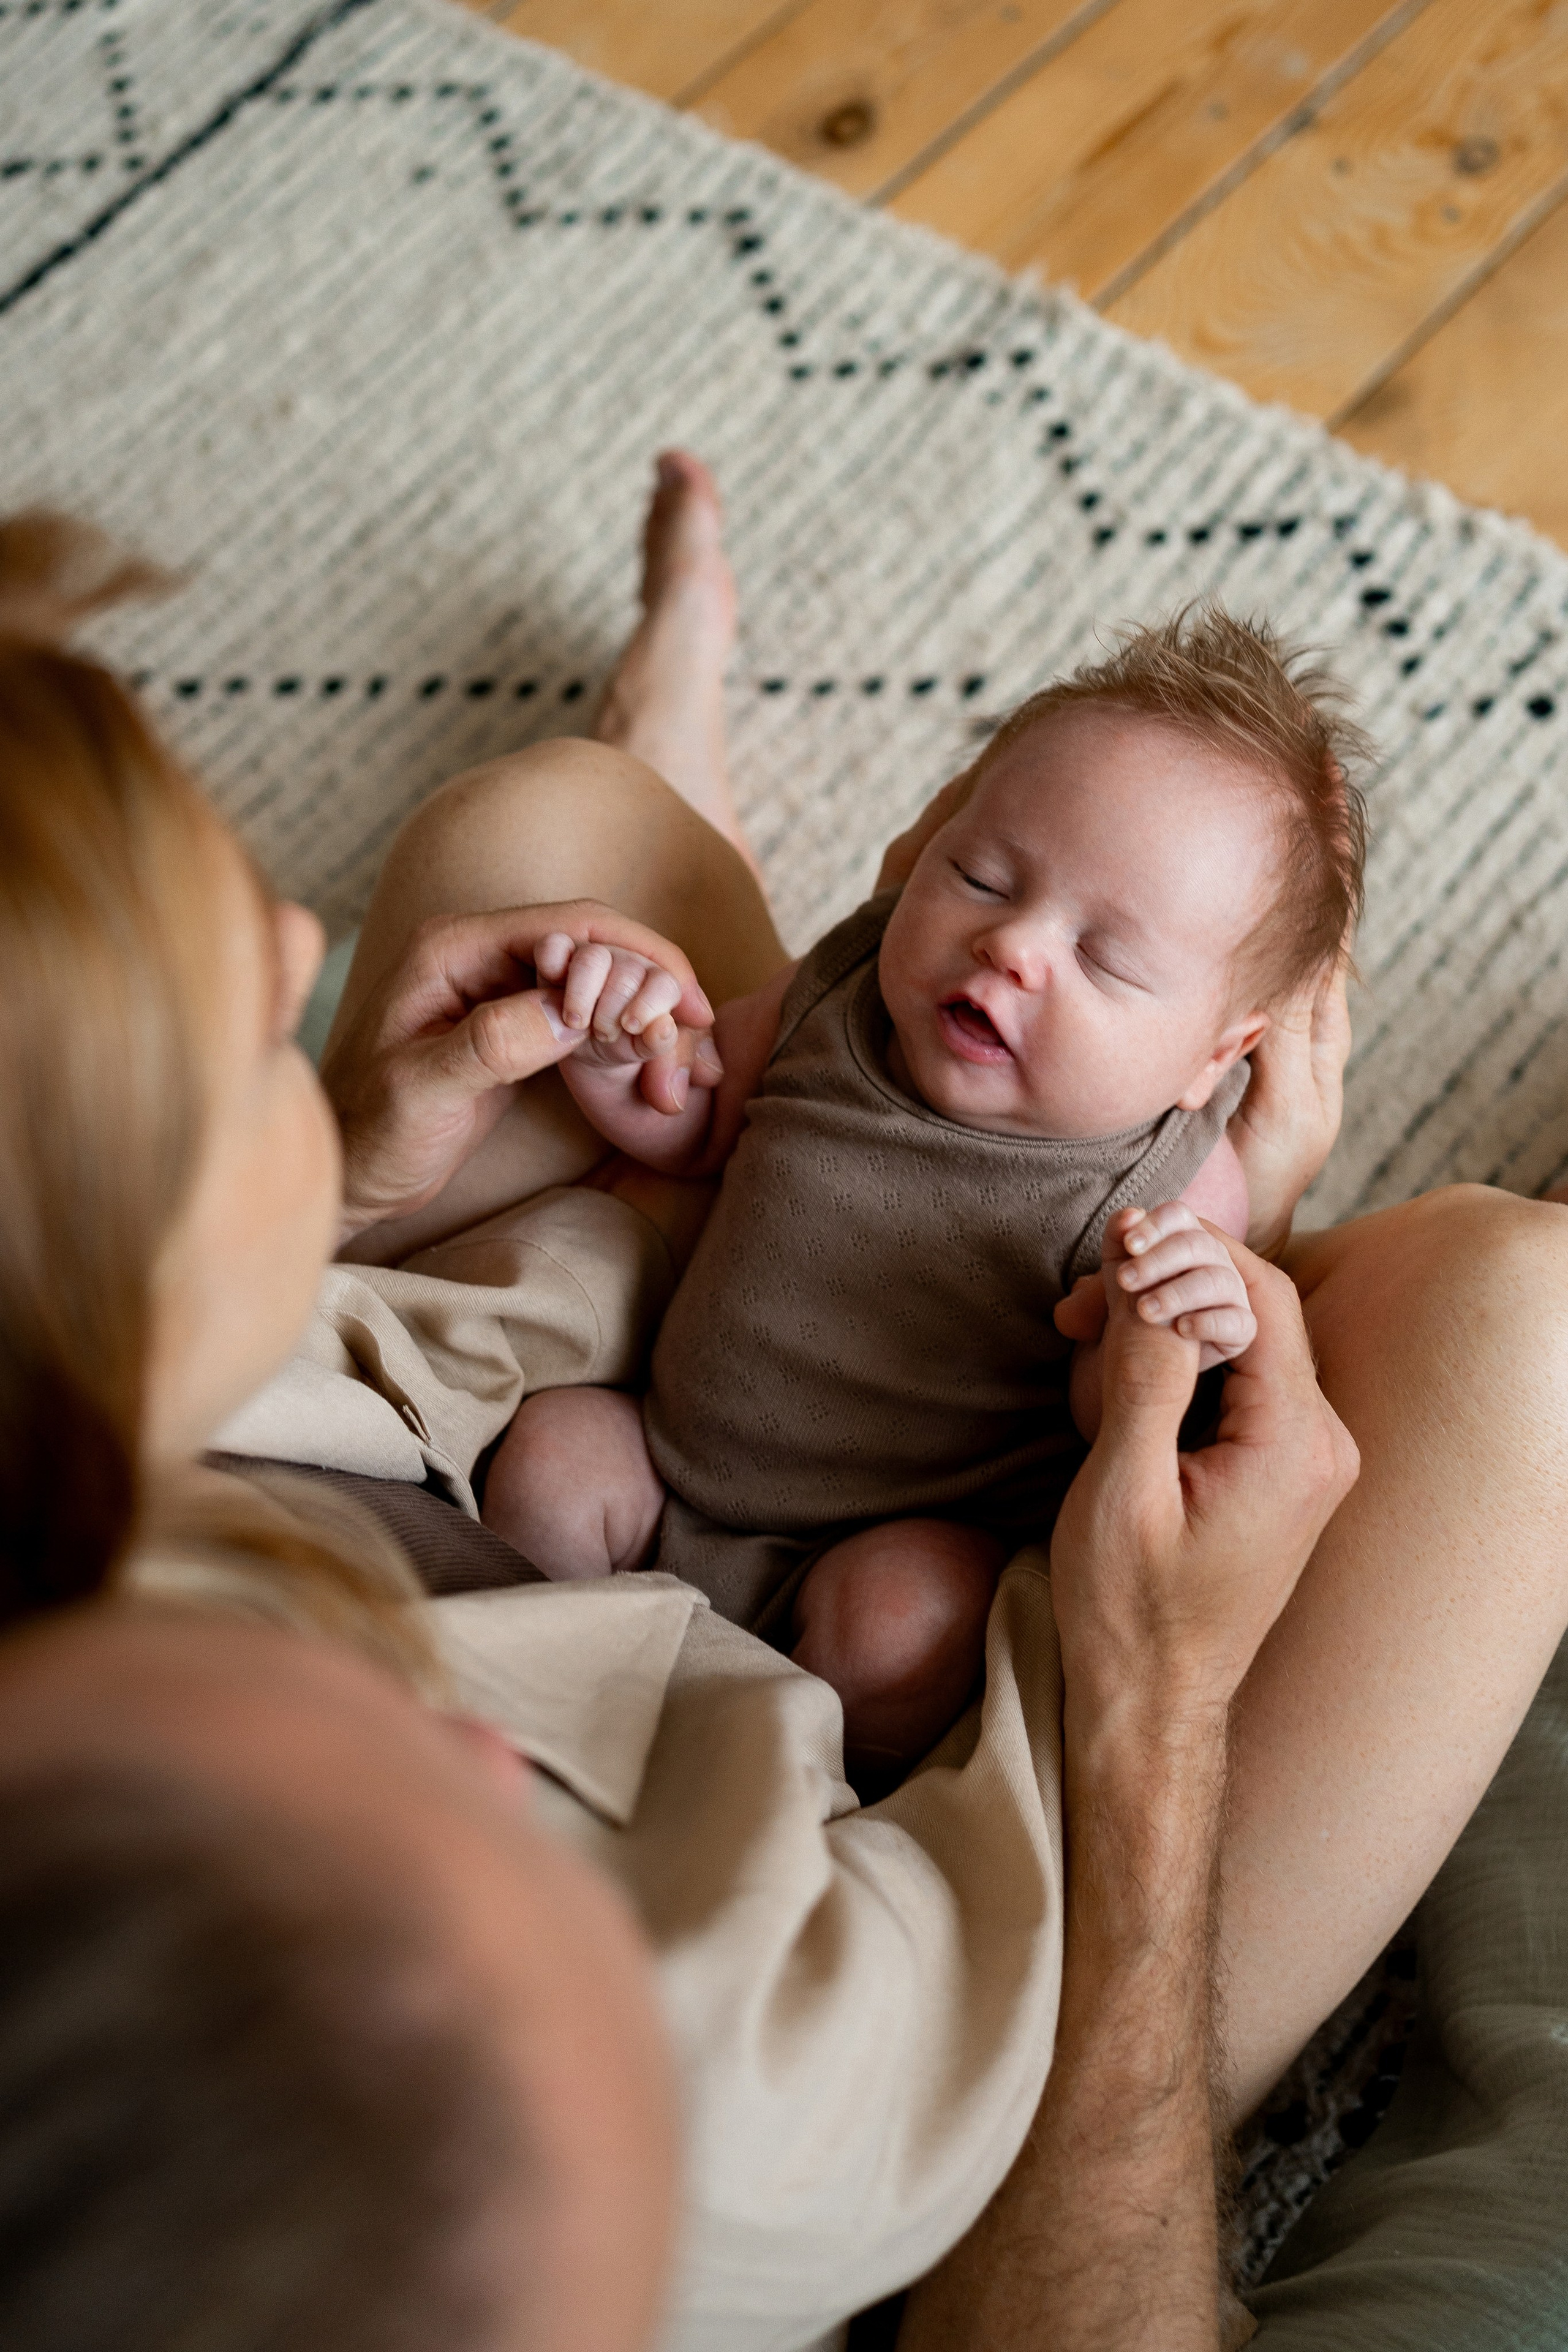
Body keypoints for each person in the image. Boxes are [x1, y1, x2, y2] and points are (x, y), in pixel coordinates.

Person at [2, 473, 1568, 2352]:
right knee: (1517, 1313)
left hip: (556, 1471)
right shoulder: (690, 2122)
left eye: (1110, 953)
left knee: (564, 827)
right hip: (806, 1682)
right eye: (222, 1018)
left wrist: (334, 1178)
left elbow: (677, 1110)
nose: (291, 937)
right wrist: (1153, 1692)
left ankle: (671, 759)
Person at [476, 607, 1366, 1776]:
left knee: (912, 1623)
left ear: (1214, 1055)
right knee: (548, 1457)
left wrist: (1177, 1327)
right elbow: (692, 1119)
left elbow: (1119, 1425)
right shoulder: (846, 992)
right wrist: (613, 1045)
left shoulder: (1169, 1184)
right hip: (666, 1467)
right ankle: (523, 1716)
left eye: (1106, 959)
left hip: (884, 1545)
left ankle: (775, 1783)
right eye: (983, 875)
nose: (1013, 948)